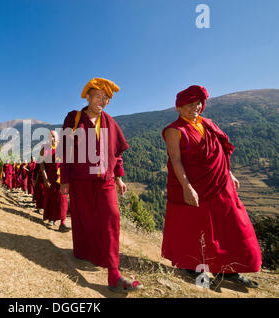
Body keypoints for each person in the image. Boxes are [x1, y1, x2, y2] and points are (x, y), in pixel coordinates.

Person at [162, 85, 262, 288]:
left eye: (198, 103)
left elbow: (220, 151)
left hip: (220, 183)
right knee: (197, 229)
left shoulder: (207, 124)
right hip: (196, 187)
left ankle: (231, 270)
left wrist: (229, 173)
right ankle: (195, 271)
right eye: (190, 104)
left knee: (231, 225)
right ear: (179, 107)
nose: (195, 107)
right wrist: (186, 187)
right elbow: (176, 161)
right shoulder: (175, 130)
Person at [60, 78, 142, 293]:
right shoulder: (74, 118)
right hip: (80, 180)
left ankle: (113, 273)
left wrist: (119, 177)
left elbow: (116, 153)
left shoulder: (110, 121)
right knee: (83, 217)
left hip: (105, 180)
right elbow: (66, 150)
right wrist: (64, 179)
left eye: (106, 98)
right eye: (98, 96)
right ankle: (83, 252)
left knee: (112, 217)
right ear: (87, 96)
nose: (102, 101)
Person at [40, 130, 70, 232]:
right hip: (50, 178)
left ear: (58, 137)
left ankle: (62, 222)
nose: (52, 139)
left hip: (62, 178)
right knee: (52, 198)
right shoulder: (45, 148)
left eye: (54, 136)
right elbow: (41, 164)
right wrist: (45, 178)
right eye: (50, 137)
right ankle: (51, 219)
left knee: (63, 199)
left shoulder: (62, 148)